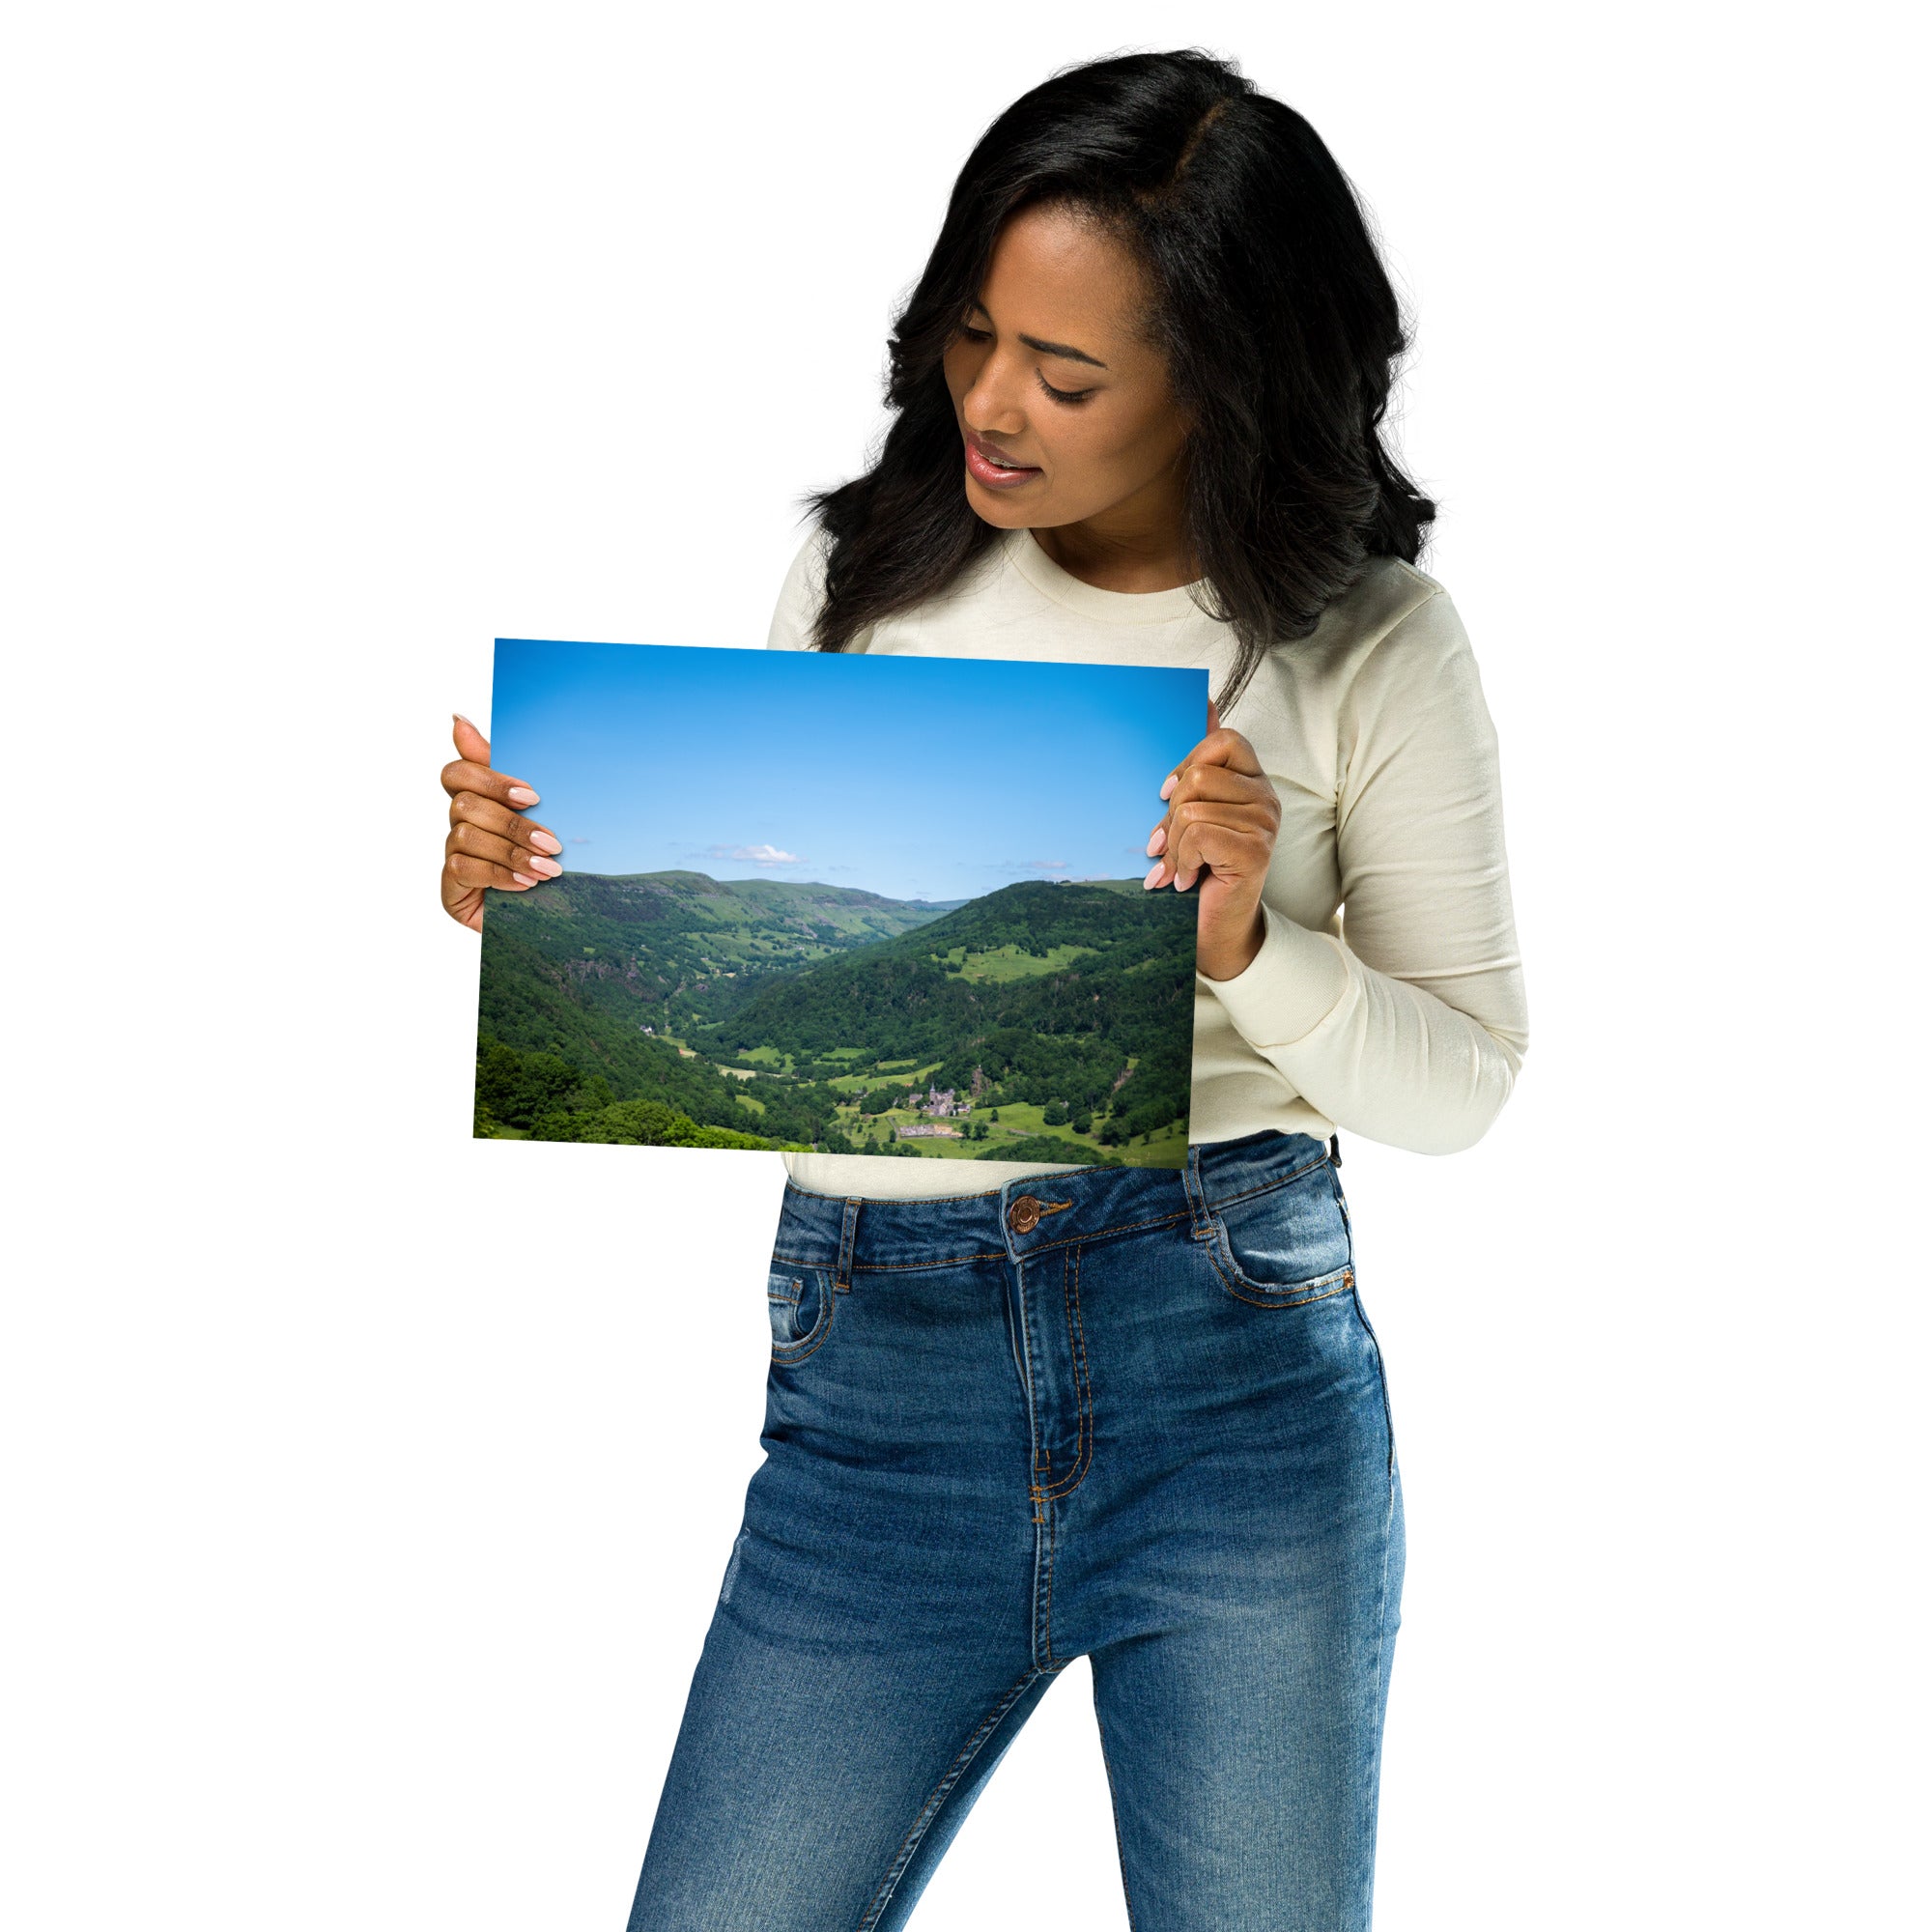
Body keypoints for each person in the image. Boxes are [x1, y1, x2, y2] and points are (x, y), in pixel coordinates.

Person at [440, 49, 1527, 1931]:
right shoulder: (863, 572)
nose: (989, 404)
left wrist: (1249, 946)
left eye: (1067, 371)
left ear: (1221, 384)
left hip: (1230, 1383)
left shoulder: (1369, 642)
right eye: (968, 335)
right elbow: (755, 981)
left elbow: (1464, 1086)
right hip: (873, 1395)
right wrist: (527, 905)